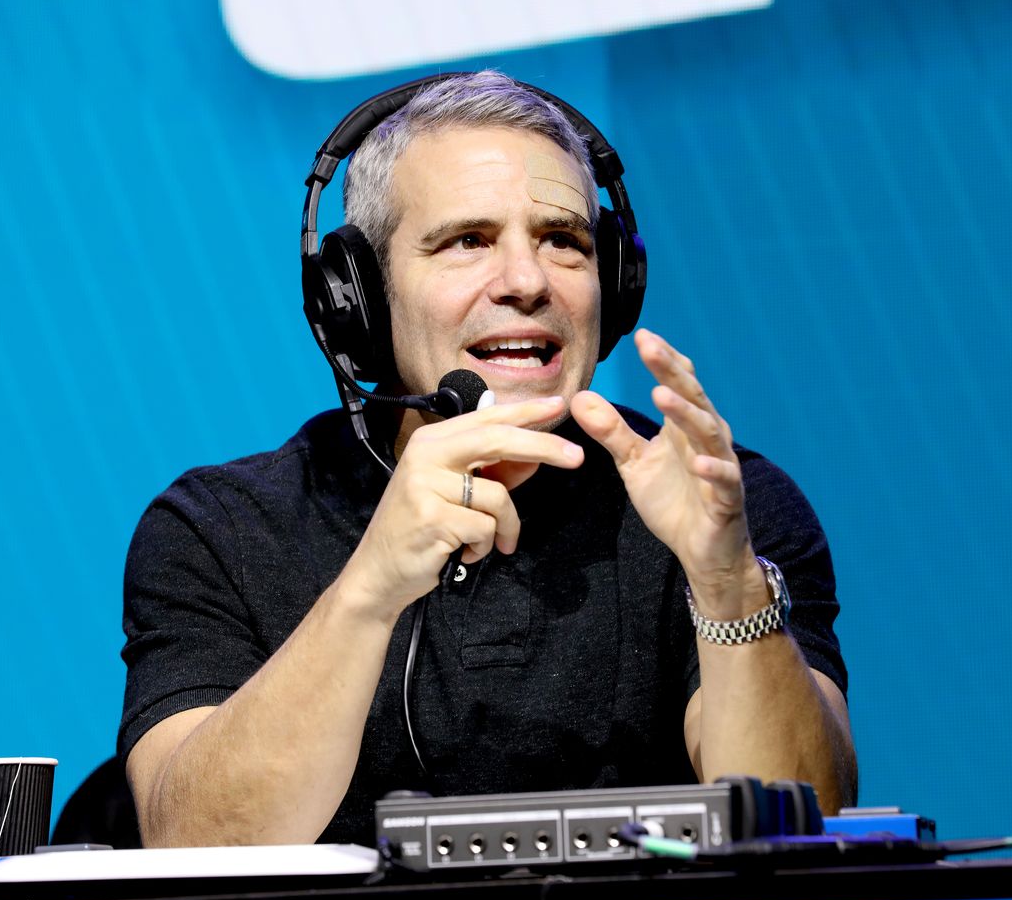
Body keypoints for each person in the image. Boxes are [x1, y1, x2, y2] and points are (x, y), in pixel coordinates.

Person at [119, 71, 856, 848]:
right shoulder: (219, 529)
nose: (527, 282)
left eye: (563, 242)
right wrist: (369, 591)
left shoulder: (721, 504)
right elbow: (194, 844)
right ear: (357, 300)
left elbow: (805, 825)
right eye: (468, 241)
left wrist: (729, 581)